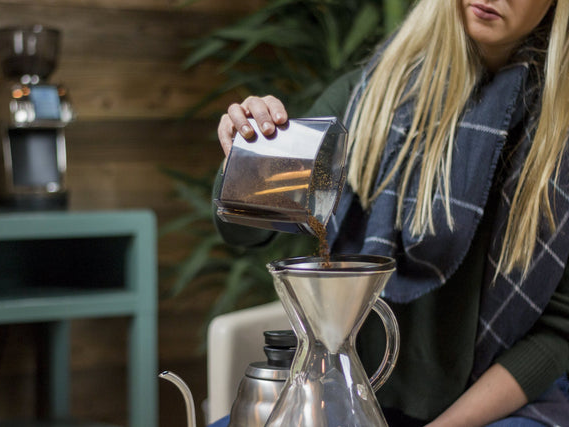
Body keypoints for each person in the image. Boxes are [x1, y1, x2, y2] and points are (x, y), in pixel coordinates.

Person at [213, 0, 569, 426]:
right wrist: (246, 156)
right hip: (351, 388)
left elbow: (557, 333)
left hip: (495, 406)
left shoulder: (557, 134)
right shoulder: (372, 93)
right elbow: (244, 233)